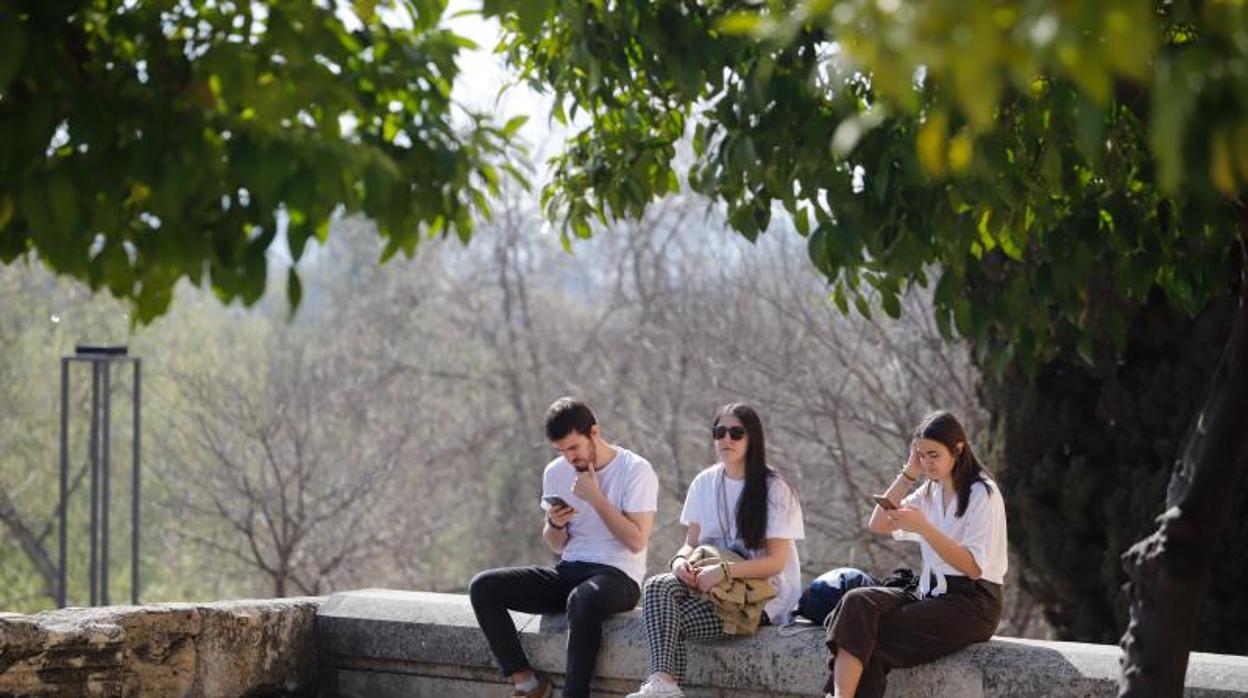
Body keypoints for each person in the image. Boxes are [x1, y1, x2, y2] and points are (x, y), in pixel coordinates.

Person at [469, 398, 659, 698]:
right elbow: (556, 545)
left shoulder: (636, 470)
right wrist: (555, 525)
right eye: (561, 451)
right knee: (483, 587)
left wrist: (596, 498)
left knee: (581, 600)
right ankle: (527, 683)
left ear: (594, 432)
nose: (569, 458)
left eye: (574, 448)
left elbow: (636, 541)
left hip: (618, 576)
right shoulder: (555, 472)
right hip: (570, 569)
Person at [823, 410, 1008, 698]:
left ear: (958, 448)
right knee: (856, 602)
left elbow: (973, 568)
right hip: (930, 594)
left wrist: (924, 528)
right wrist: (909, 473)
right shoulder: (928, 491)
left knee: (871, 637)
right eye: (921, 455)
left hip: (973, 602)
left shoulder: (982, 493)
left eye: (934, 455)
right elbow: (878, 523)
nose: (927, 462)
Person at [627, 403, 804, 698]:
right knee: (657, 586)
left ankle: (664, 686)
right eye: (719, 432)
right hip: (712, 587)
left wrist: (723, 570)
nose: (726, 440)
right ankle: (664, 684)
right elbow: (691, 541)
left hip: (760, 598)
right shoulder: (704, 482)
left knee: (666, 624)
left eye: (736, 433)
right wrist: (681, 560)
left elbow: (775, 562)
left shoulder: (775, 488)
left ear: (753, 439)